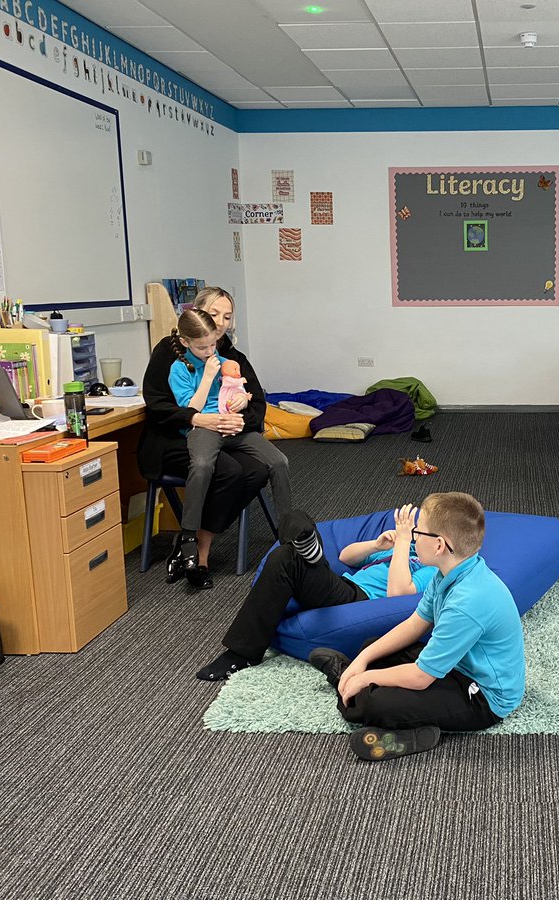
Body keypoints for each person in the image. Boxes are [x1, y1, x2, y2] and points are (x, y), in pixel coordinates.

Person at [307, 492, 525, 762]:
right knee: (370, 647)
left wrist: (364, 677)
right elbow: (414, 624)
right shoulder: (447, 573)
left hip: (483, 697)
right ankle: (355, 685)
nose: (412, 537)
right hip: (456, 665)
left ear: (439, 545)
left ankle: (386, 716)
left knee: (379, 703)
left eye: (418, 532)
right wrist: (363, 659)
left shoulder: (467, 602)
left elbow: (421, 677)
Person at [138, 285, 288, 589]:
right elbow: (160, 407)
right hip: (175, 439)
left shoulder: (230, 355)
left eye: (227, 316)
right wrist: (198, 418)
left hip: (226, 433)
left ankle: (284, 534)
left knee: (259, 469)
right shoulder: (171, 354)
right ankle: (197, 549)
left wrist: (240, 420)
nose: (220, 322)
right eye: (214, 314)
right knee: (230, 472)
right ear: (197, 315)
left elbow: (255, 402)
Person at [195, 506, 438, 681]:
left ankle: (242, 653)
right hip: (339, 584)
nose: (415, 533)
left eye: (421, 532)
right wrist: (377, 545)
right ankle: (308, 549)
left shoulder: (434, 570)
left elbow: (399, 595)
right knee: (294, 519)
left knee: (285, 557)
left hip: (357, 601)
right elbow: (346, 556)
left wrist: (404, 543)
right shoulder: (403, 549)